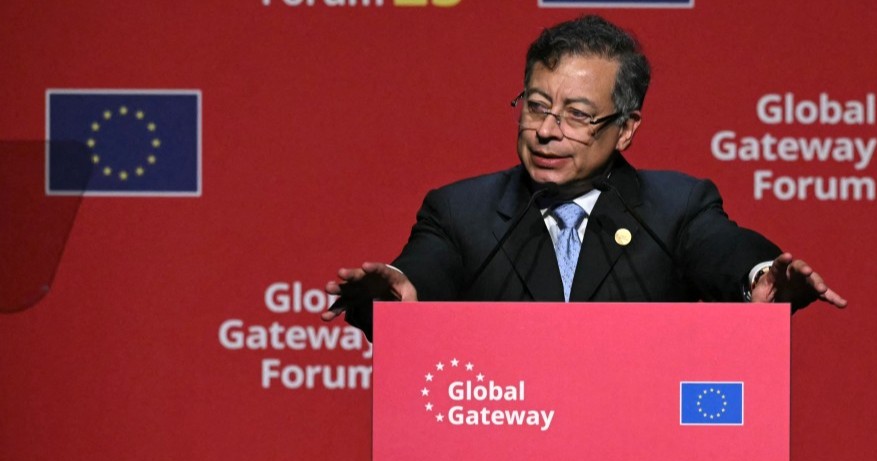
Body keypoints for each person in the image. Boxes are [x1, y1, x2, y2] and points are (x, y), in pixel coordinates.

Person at [323, 15, 845, 338]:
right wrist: (393, 299)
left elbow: (724, 250)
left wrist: (760, 276)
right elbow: (418, 277)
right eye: (535, 106)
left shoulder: (675, 208)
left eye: (576, 114)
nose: (546, 131)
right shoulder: (461, 212)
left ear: (624, 130)